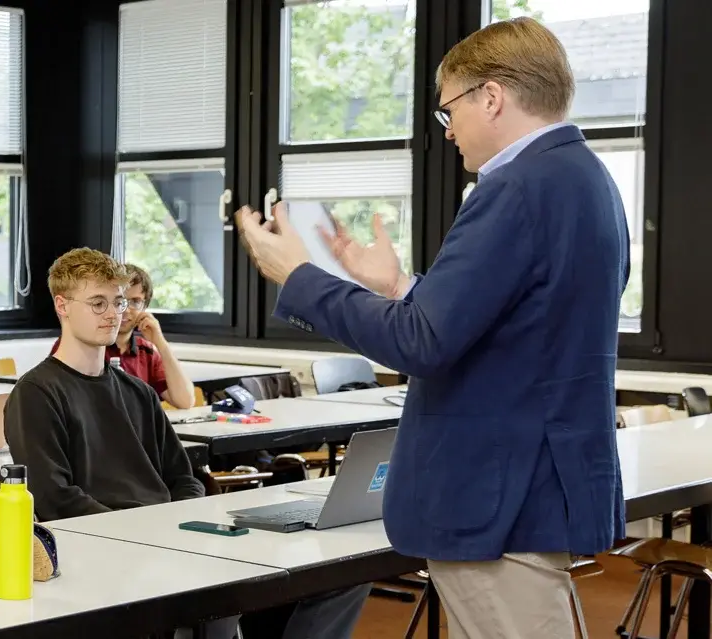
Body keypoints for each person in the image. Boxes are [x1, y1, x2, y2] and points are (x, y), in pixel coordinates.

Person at [235, 18, 624, 637]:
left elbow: (420, 342)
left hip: (496, 494)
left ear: (490, 96)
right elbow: (522, 327)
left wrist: (300, 277)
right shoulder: (586, 179)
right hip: (537, 480)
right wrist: (399, 287)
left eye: (449, 110)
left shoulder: (515, 188)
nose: (447, 131)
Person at [6, 249, 365, 638]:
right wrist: (143, 532)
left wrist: (181, 525)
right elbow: (54, 497)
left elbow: (184, 476)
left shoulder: (138, 392)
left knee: (334, 575)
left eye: (119, 302)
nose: (113, 314)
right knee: (223, 599)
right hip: (105, 549)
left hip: (166, 539)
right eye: (98, 303)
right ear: (62, 306)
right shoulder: (37, 393)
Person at [47, 263, 196, 409]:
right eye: (119, 301)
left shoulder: (146, 352)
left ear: (145, 307)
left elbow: (185, 401)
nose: (125, 310)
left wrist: (160, 343)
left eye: (135, 302)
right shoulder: (83, 344)